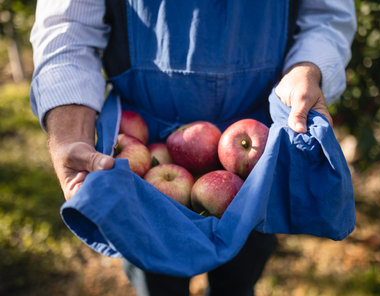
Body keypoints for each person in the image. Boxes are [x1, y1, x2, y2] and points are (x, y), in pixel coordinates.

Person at [30, 0, 356, 295]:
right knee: (155, 277)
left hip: (255, 155)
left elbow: (326, 15)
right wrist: (69, 129)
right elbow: (68, 28)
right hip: (146, 149)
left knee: (241, 274)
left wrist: (307, 67)